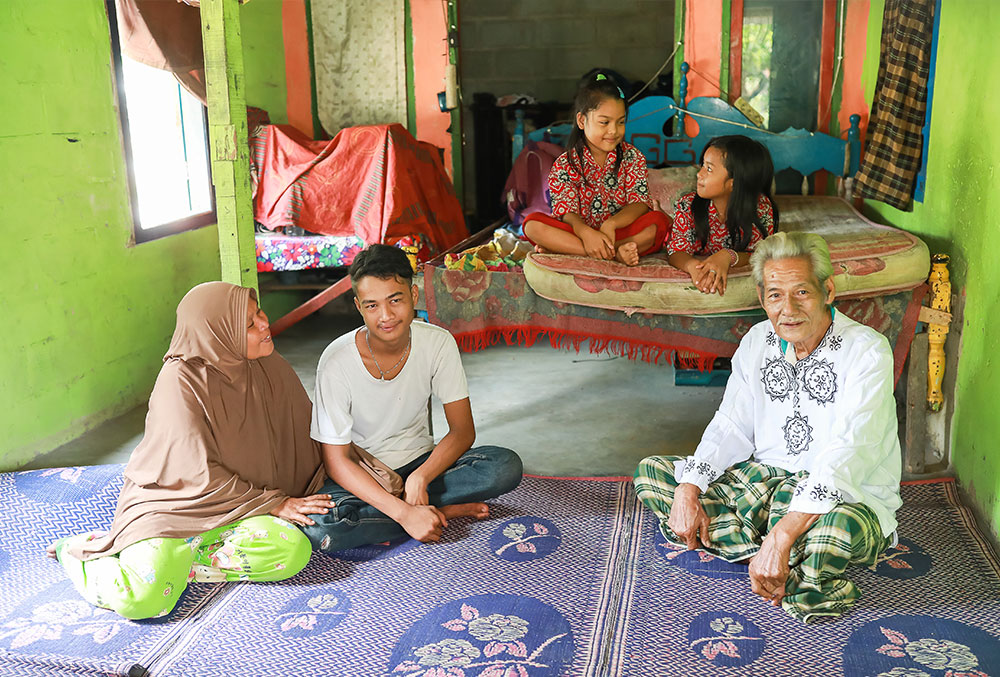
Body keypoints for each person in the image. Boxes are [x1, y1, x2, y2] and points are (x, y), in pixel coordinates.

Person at [635, 232, 901, 622]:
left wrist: (783, 532)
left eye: (802, 293)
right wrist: (689, 490)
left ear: (827, 290)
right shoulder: (758, 341)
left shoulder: (867, 350)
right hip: (762, 484)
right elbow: (731, 424)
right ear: (762, 299)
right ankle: (791, 565)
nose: (788, 309)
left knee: (839, 531)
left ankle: (771, 548)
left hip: (842, 493)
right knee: (654, 475)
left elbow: (851, 450)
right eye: (775, 295)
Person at [48, 282, 332, 620]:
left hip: (236, 510)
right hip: (174, 510)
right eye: (249, 324)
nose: (264, 323)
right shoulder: (180, 381)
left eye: (259, 313)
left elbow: (306, 434)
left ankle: (187, 562)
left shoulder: (268, 366)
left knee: (292, 552)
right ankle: (79, 553)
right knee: (145, 601)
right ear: (217, 332)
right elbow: (194, 474)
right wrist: (275, 503)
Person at [302, 244, 523, 552]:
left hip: (423, 464)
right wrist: (403, 512)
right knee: (321, 528)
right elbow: (337, 462)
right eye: (372, 306)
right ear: (358, 307)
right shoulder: (336, 361)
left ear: (414, 296)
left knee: (504, 466)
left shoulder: (437, 343)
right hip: (367, 474)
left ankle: (404, 512)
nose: (386, 316)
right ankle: (434, 512)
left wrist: (420, 478)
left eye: (395, 300)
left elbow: (463, 431)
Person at [522, 73, 670, 267]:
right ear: (582, 121)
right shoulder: (565, 163)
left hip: (620, 232)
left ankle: (575, 250)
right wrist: (586, 233)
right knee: (532, 225)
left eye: (621, 122)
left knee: (658, 221)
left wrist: (611, 224)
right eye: (604, 122)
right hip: (579, 234)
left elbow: (639, 203)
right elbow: (567, 212)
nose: (613, 131)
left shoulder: (633, 157)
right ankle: (615, 252)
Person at [667, 135, 778, 295]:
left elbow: (761, 253)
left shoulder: (760, 209)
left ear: (734, 183)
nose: (699, 174)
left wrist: (728, 256)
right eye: (702, 166)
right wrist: (692, 266)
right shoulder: (688, 205)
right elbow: (676, 251)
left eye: (709, 169)